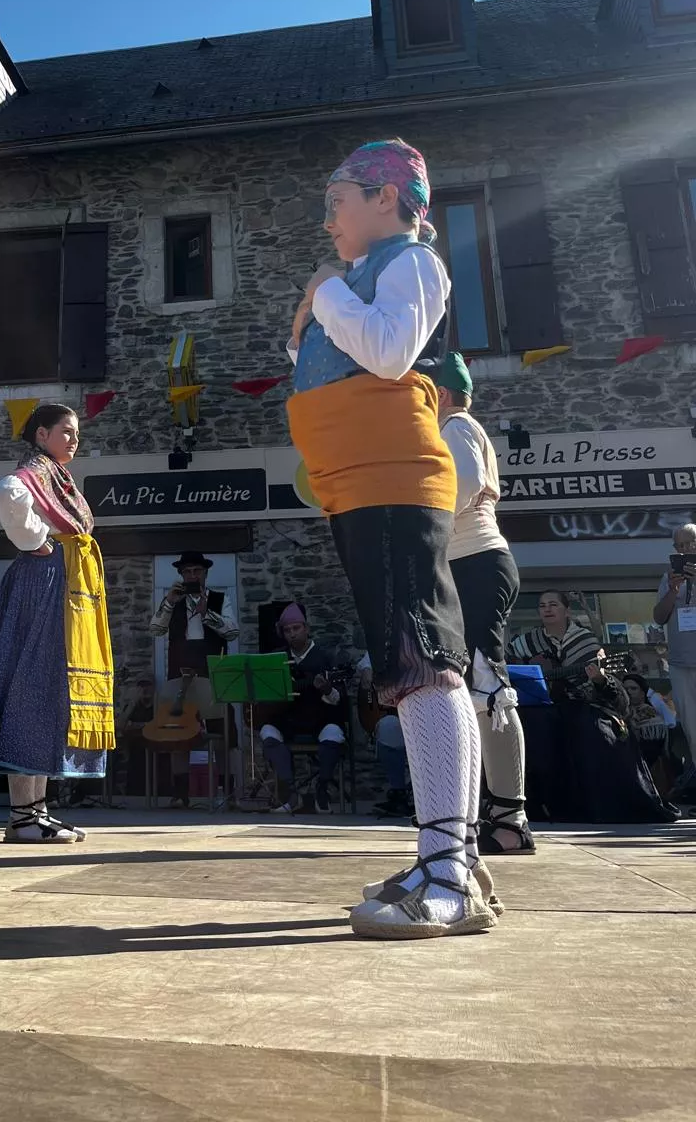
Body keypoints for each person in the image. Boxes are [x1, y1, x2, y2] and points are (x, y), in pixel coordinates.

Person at [286, 138, 495, 940]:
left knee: (423, 660)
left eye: (335, 198)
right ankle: (449, 856)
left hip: (391, 477)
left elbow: (388, 351)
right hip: (358, 482)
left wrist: (326, 292)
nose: (326, 216)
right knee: (406, 663)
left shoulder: (411, 264)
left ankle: (448, 868)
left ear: (384, 197)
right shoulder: (362, 273)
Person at [0, 403, 115, 843]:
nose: (74, 440)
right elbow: (7, 493)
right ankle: (22, 816)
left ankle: (36, 810)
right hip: (43, 586)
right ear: (41, 435)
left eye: (77, 433)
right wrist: (38, 543)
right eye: (66, 431)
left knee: (51, 693)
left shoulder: (56, 479)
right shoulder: (33, 475)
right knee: (31, 690)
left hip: (60, 585)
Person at [434, 353, 534, 856]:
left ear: (444, 395)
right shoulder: (458, 427)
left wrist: (421, 523)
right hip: (470, 565)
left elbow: (467, 486)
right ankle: (490, 811)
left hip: (475, 563)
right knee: (476, 687)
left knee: (487, 684)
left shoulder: (455, 426)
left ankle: (510, 818)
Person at [510, 593, 673, 823]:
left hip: (581, 703)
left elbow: (608, 691)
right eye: (542, 605)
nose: (547, 609)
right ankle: (537, 804)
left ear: (566, 610)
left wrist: (598, 678)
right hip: (543, 706)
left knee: (589, 726)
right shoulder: (526, 642)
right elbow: (507, 665)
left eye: (553, 604)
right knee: (533, 724)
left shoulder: (585, 641)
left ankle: (594, 805)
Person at [147, 552, 238, 808]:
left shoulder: (220, 600)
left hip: (212, 674)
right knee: (179, 733)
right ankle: (180, 793)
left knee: (222, 735)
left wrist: (207, 613)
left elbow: (232, 631)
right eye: (187, 572)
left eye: (196, 571)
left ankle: (225, 792)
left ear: (205, 573)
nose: (192, 576)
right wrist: (168, 602)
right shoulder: (172, 602)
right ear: (181, 576)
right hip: (180, 675)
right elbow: (155, 630)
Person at [257, 602, 348, 814]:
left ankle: (322, 790)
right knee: (267, 731)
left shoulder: (326, 658)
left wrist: (326, 689)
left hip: (319, 720)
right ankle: (291, 792)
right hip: (287, 720)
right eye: (287, 631)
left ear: (306, 628)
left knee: (334, 733)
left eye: (296, 629)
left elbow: (338, 700)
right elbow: (267, 692)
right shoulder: (277, 658)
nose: (292, 634)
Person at [652, 525, 696, 779]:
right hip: (681, 664)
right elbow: (658, 618)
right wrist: (673, 590)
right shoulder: (668, 577)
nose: (686, 549)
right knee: (692, 730)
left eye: (690, 543)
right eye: (679, 545)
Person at [356, 653, 412, 818]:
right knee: (387, 727)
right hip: (401, 712)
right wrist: (367, 668)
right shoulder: (391, 635)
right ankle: (399, 793)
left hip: (429, 707)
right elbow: (371, 655)